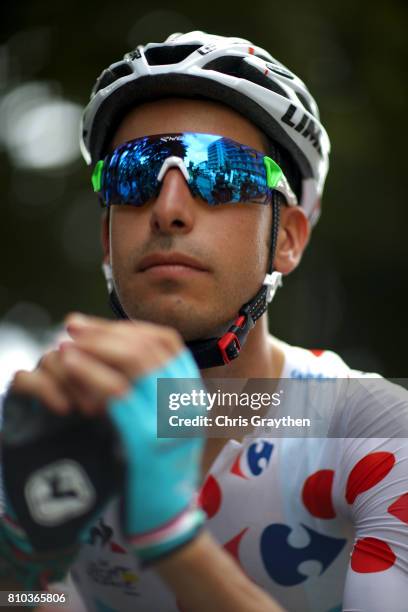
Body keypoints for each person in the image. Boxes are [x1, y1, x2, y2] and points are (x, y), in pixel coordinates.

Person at [1, 31, 407, 612]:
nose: (167, 209)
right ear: (107, 240)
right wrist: (16, 567)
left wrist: (172, 538)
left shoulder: (375, 432)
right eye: (133, 175)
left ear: (287, 238)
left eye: (221, 172)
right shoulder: (35, 427)